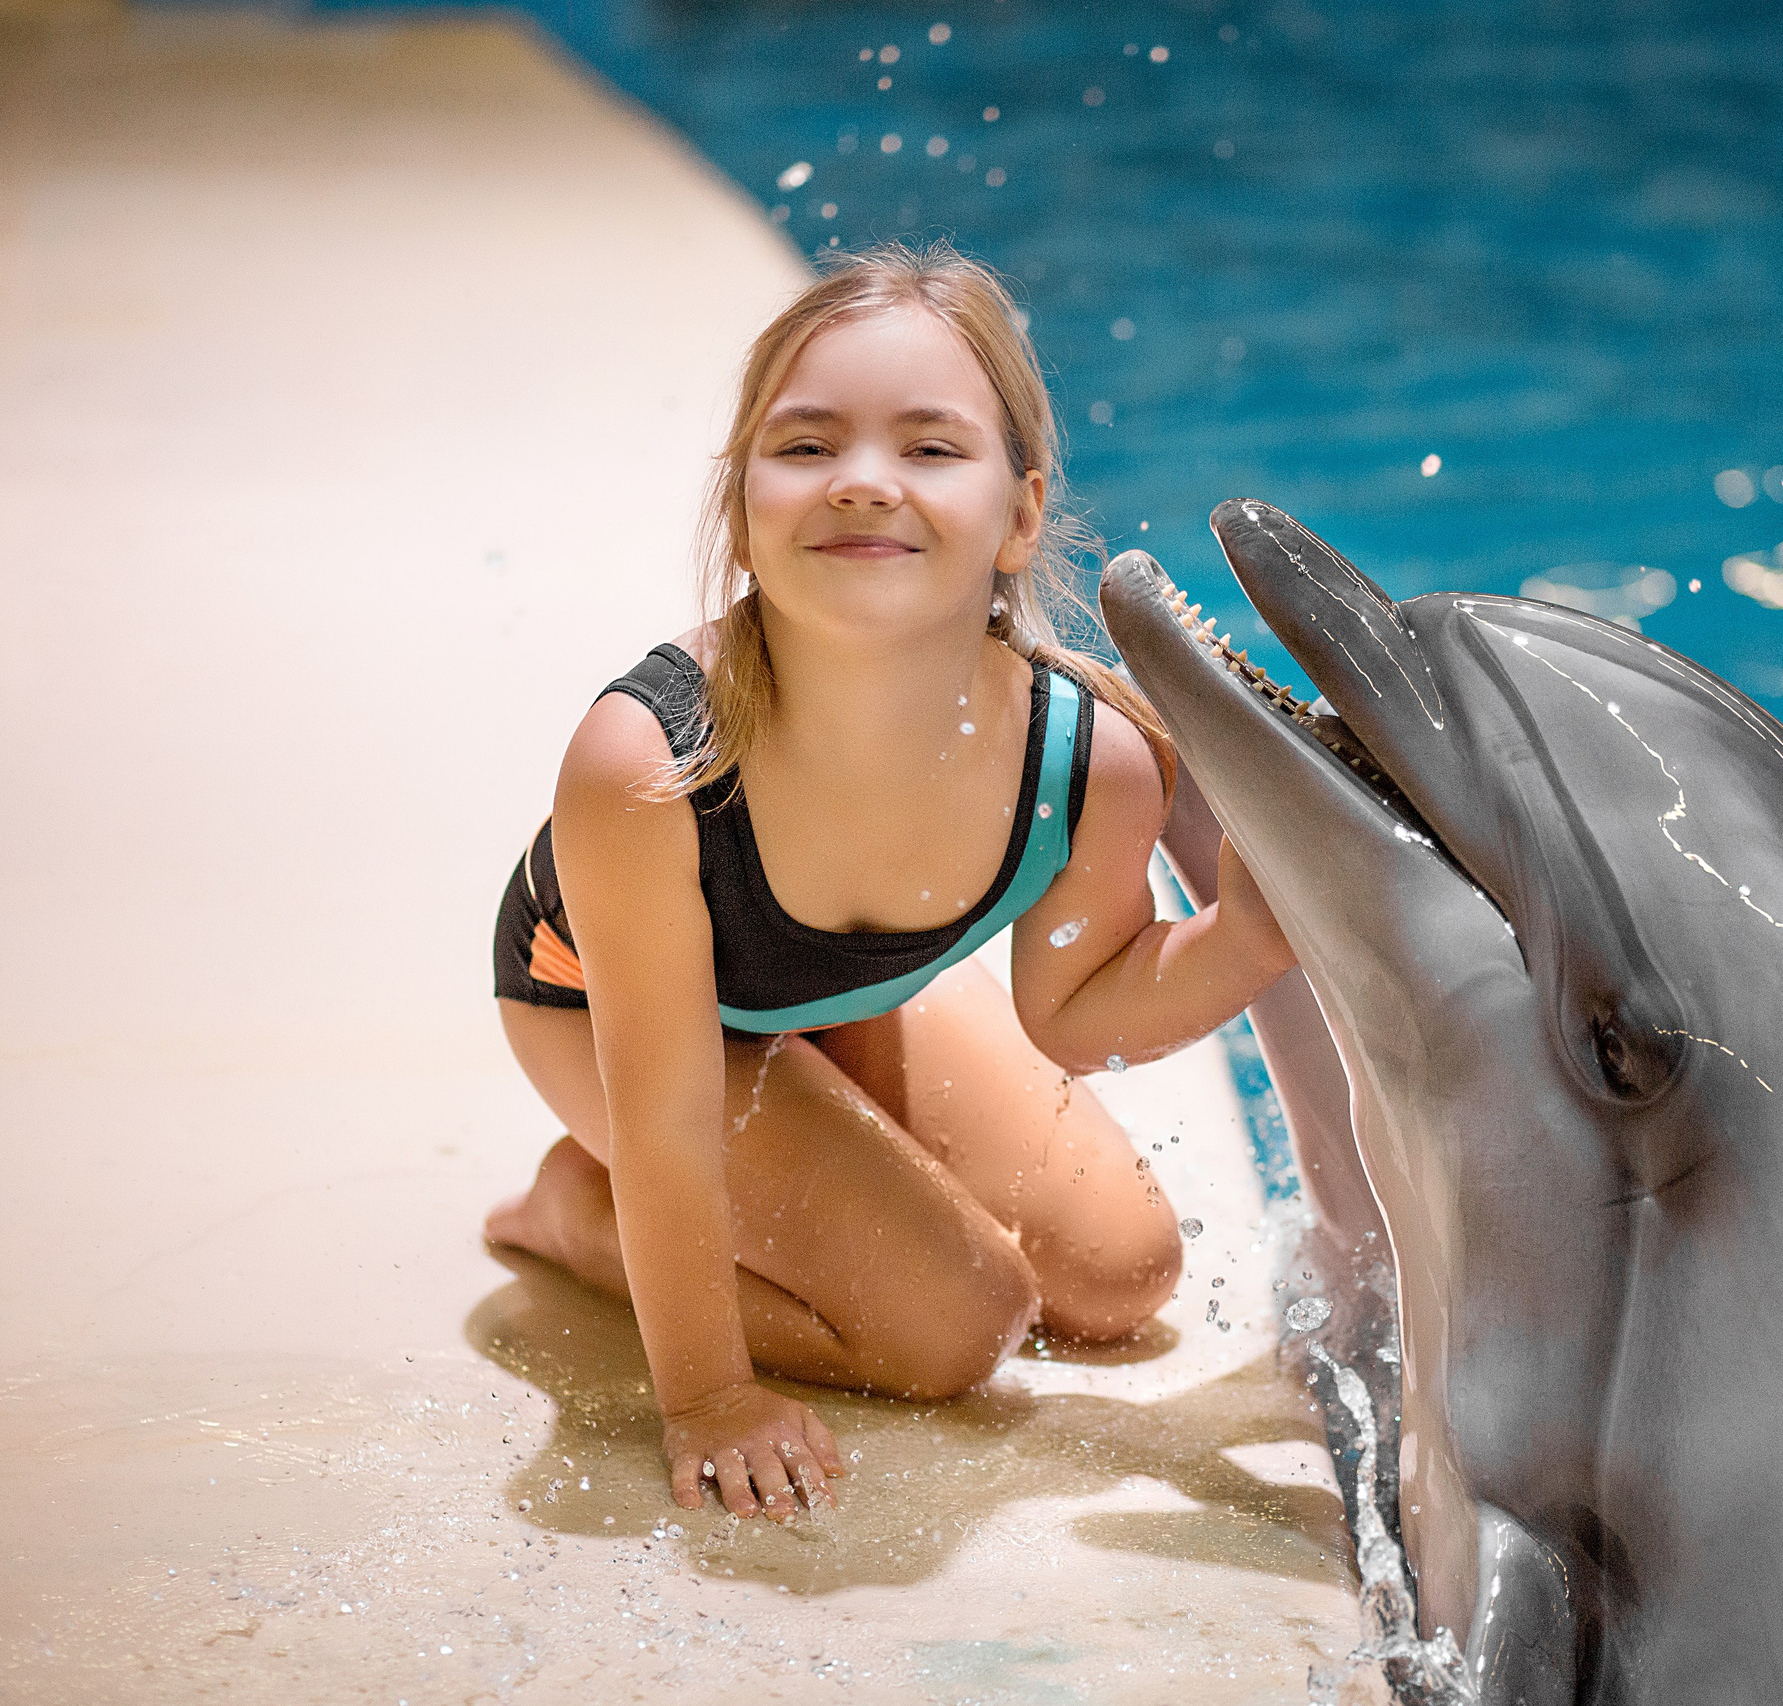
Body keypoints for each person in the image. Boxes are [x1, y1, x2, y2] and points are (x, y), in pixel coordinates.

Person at [484, 243, 1297, 1525]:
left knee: (1118, 1278)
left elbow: (1078, 1011)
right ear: (741, 500)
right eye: (806, 447)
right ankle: (571, 1207)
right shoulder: (652, 763)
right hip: (620, 1021)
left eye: (929, 449)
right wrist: (706, 1397)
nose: (864, 482)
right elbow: (672, 1118)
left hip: (842, 984)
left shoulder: (1085, 759)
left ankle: (800, 1132)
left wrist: (1244, 934)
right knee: (949, 1328)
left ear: (1020, 512)